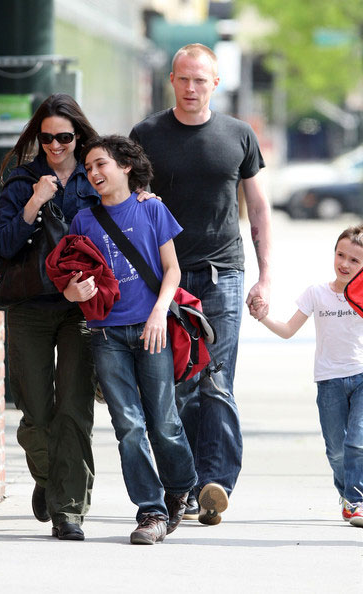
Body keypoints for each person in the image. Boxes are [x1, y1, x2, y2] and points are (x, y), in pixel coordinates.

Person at [130, 43, 272, 526]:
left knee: (216, 382)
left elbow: (257, 209)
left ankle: (215, 484)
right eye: (184, 79)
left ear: (216, 83)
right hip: (164, 280)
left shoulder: (238, 135)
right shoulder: (146, 134)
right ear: (172, 79)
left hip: (222, 275)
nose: (192, 89)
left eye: (201, 80)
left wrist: (266, 276)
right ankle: (186, 485)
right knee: (178, 385)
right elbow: (127, 206)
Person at [67, 135, 197, 545]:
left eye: (101, 164)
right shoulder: (83, 222)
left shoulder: (152, 208)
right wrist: (76, 292)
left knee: (164, 421)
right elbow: (69, 283)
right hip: (106, 334)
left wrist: (159, 312)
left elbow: (172, 270)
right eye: (88, 168)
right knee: (128, 425)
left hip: (151, 329)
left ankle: (181, 486)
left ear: (125, 167)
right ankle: (151, 511)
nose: (94, 173)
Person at [250, 223, 363, 529]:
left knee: (359, 441)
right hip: (329, 381)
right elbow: (288, 331)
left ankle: (362, 503)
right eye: (340, 254)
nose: (344, 263)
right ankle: (348, 495)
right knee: (336, 449)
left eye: (354, 260)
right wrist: (264, 317)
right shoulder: (316, 294)